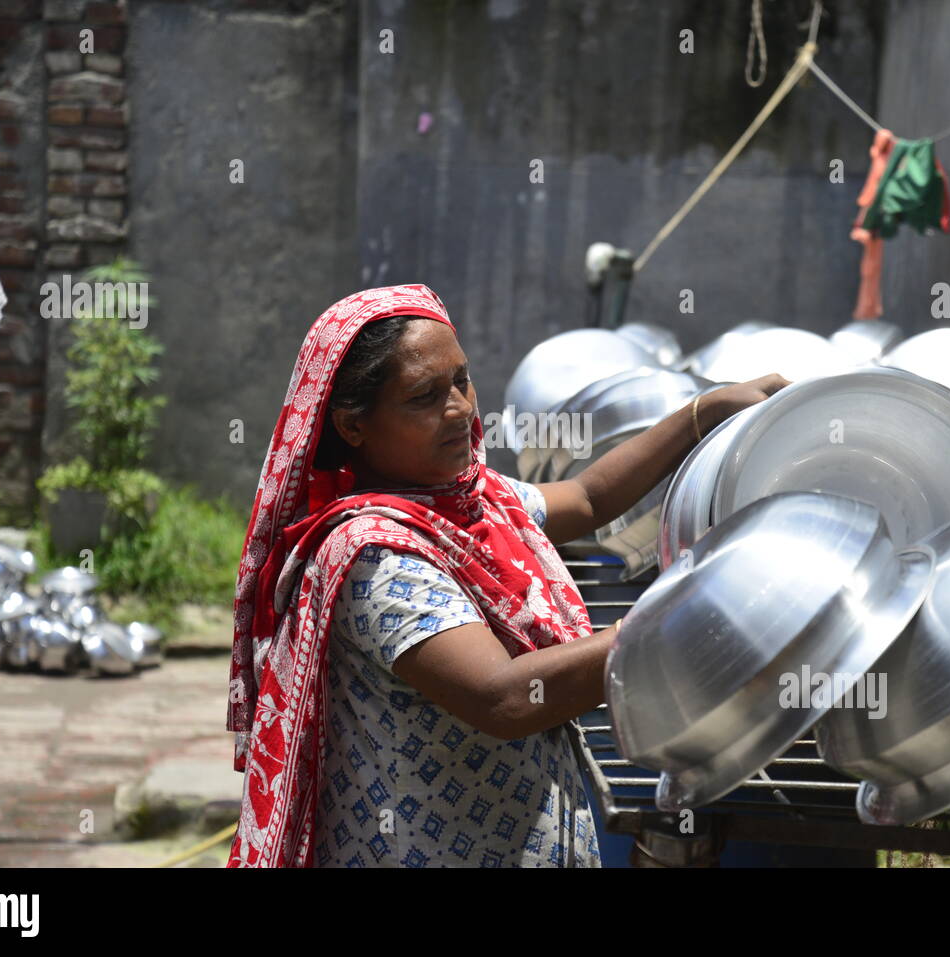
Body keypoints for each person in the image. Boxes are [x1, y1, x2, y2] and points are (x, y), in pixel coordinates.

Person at [225, 283, 789, 867]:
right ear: (353, 425)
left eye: (461, 380)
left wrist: (703, 413)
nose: (461, 409)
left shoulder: (474, 502)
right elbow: (505, 699)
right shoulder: (373, 556)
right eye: (423, 397)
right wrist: (676, 624)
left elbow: (590, 498)